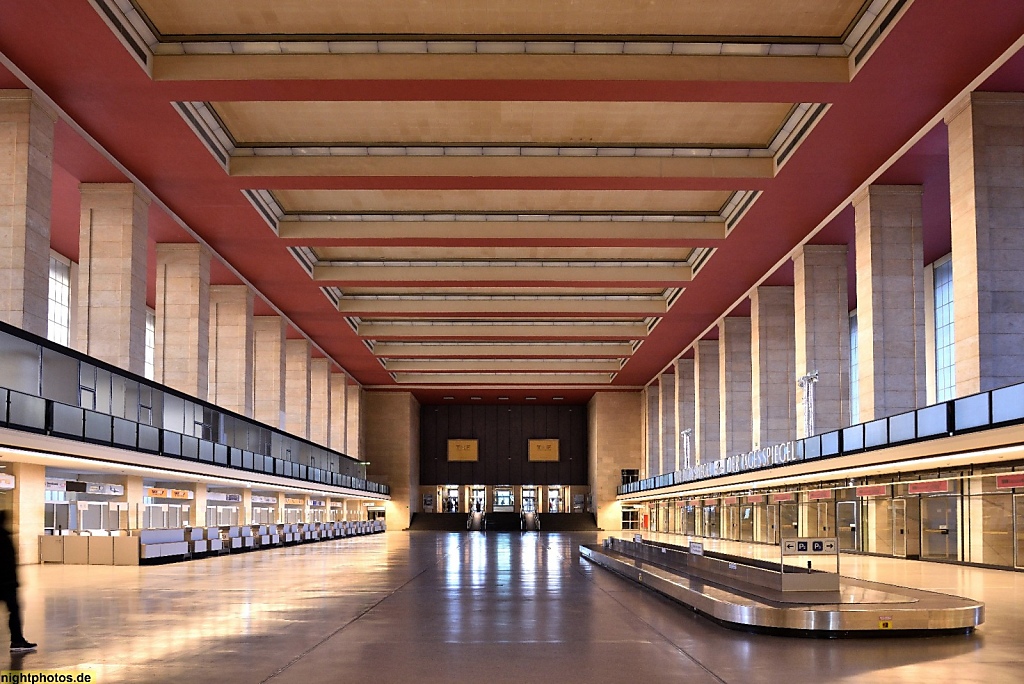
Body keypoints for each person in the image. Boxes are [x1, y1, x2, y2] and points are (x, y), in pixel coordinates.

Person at [0, 510, 36, 652]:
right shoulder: (5, 537)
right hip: (7, 583)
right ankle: (17, 641)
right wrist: (13, 580)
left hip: (6, 582)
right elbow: (8, 562)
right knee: (14, 611)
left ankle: (18, 640)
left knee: (14, 611)